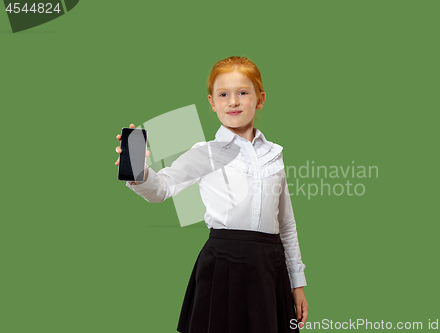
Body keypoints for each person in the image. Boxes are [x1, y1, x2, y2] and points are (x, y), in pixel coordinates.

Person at [114, 56, 308, 332]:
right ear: (212, 102)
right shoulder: (205, 153)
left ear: (260, 99)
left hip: (269, 268)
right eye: (223, 94)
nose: (233, 101)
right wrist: (138, 171)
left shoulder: (274, 155)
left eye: (243, 92)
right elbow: (162, 189)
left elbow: (286, 224)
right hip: (222, 266)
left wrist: (297, 283)